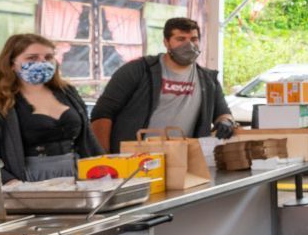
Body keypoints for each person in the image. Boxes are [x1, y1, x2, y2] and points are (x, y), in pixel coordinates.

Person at [0, 33, 102, 215]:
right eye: (32, 58)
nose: (42, 62)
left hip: (75, 184)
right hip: (24, 188)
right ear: (11, 63)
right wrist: (15, 189)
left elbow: (88, 139)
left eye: (48, 57)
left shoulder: (67, 92)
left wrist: (104, 170)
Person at [90, 18, 235, 152]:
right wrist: (104, 156)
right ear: (166, 42)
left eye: (194, 39)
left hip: (181, 159)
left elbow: (223, 112)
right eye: (180, 39)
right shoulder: (139, 70)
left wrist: (226, 122)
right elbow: (102, 114)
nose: (188, 45)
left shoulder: (208, 80)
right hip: (134, 158)